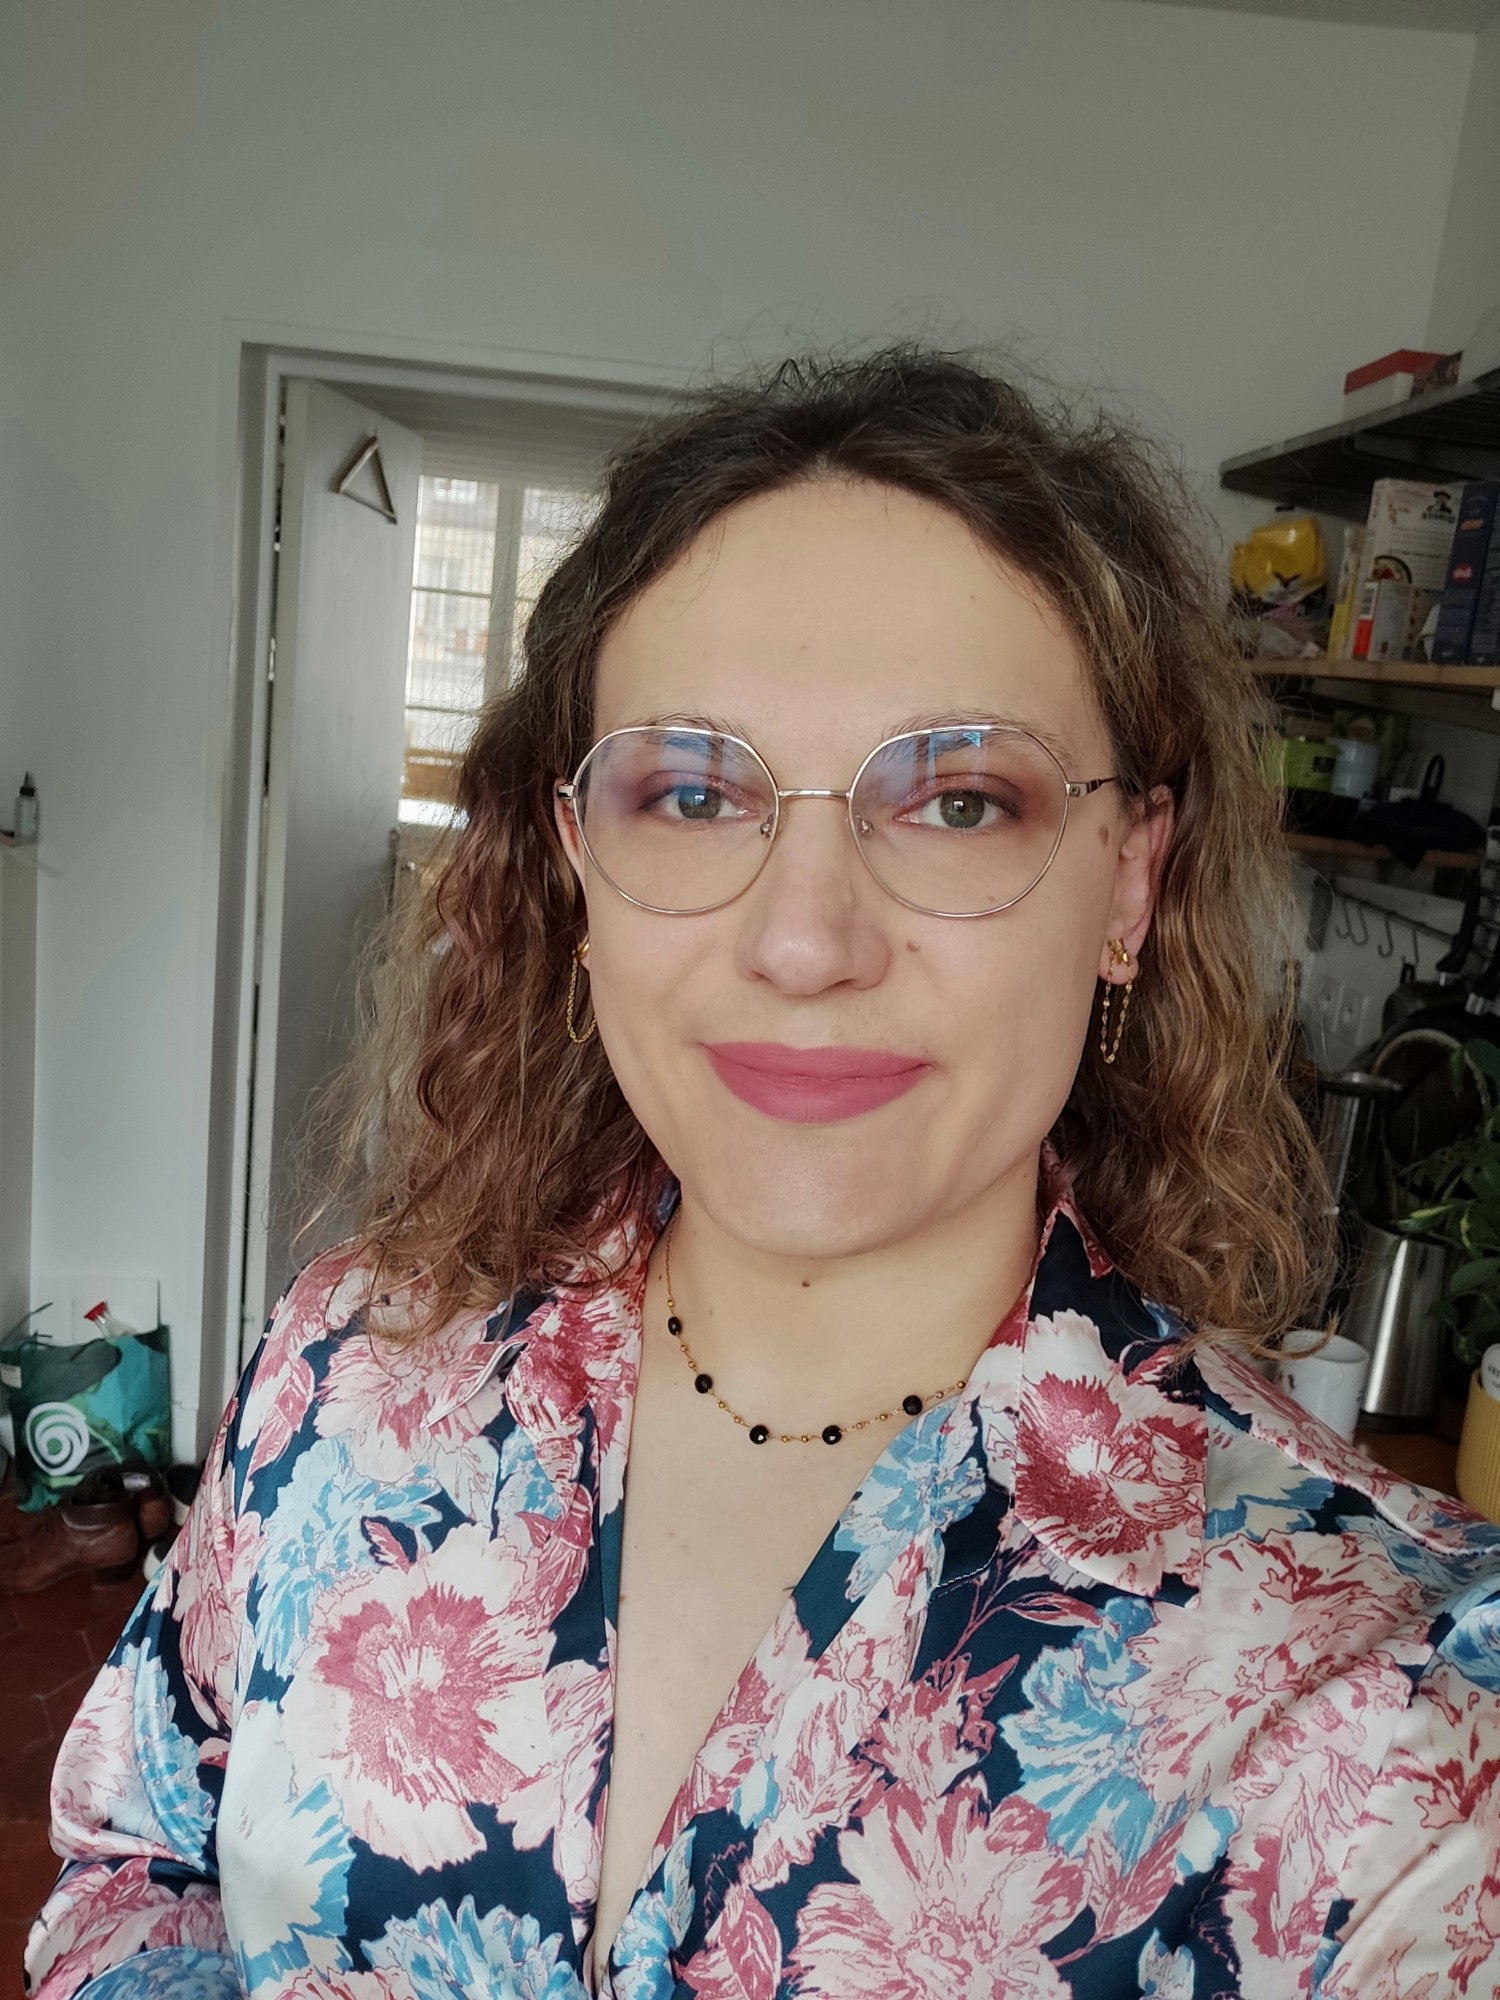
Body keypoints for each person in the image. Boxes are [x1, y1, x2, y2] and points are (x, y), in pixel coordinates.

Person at [27, 350, 1500, 2000]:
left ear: (1128, 884)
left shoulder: (1391, 1709)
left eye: (956, 799)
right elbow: (137, 1865)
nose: (804, 942)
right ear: (580, 867)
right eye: (695, 790)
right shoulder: (348, 1370)